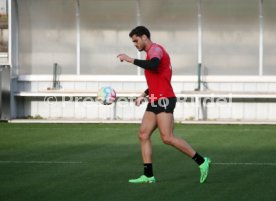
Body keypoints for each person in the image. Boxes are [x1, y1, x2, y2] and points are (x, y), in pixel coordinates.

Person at [117, 26, 211, 184]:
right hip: (155, 98)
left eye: (136, 40)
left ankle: (202, 161)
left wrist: (130, 59)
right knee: (143, 135)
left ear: (145, 37)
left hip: (165, 99)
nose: (135, 44)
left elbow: (154, 65)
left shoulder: (156, 50)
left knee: (167, 137)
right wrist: (143, 95)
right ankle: (148, 175)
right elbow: (158, 80)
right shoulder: (149, 54)